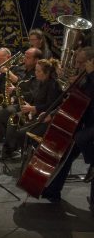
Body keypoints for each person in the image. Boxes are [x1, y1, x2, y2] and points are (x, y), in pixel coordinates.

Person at [42, 51, 94, 213]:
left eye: (81, 62)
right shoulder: (85, 78)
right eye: (77, 62)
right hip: (83, 123)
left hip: (91, 126)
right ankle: (52, 191)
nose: (78, 66)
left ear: (91, 62)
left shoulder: (91, 77)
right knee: (66, 154)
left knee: (79, 139)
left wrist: (90, 76)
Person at [0, 58, 62, 159]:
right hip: (34, 112)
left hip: (44, 117)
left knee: (21, 133)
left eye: (38, 71)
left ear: (46, 73)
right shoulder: (40, 81)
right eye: (35, 70)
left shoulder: (53, 85)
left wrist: (33, 108)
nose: (35, 73)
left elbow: (52, 105)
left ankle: (25, 154)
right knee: (13, 120)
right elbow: (35, 96)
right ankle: (10, 150)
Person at [0, 47, 42, 142]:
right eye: (25, 56)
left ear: (36, 60)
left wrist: (14, 92)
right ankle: (4, 140)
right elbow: (22, 88)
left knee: (11, 118)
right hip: (21, 103)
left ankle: (11, 145)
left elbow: (31, 94)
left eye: (28, 57)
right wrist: (15, 96)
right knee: (0, 115)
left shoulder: (36, 74)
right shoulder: (26, 71)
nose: (24, 59)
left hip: (30, 106)